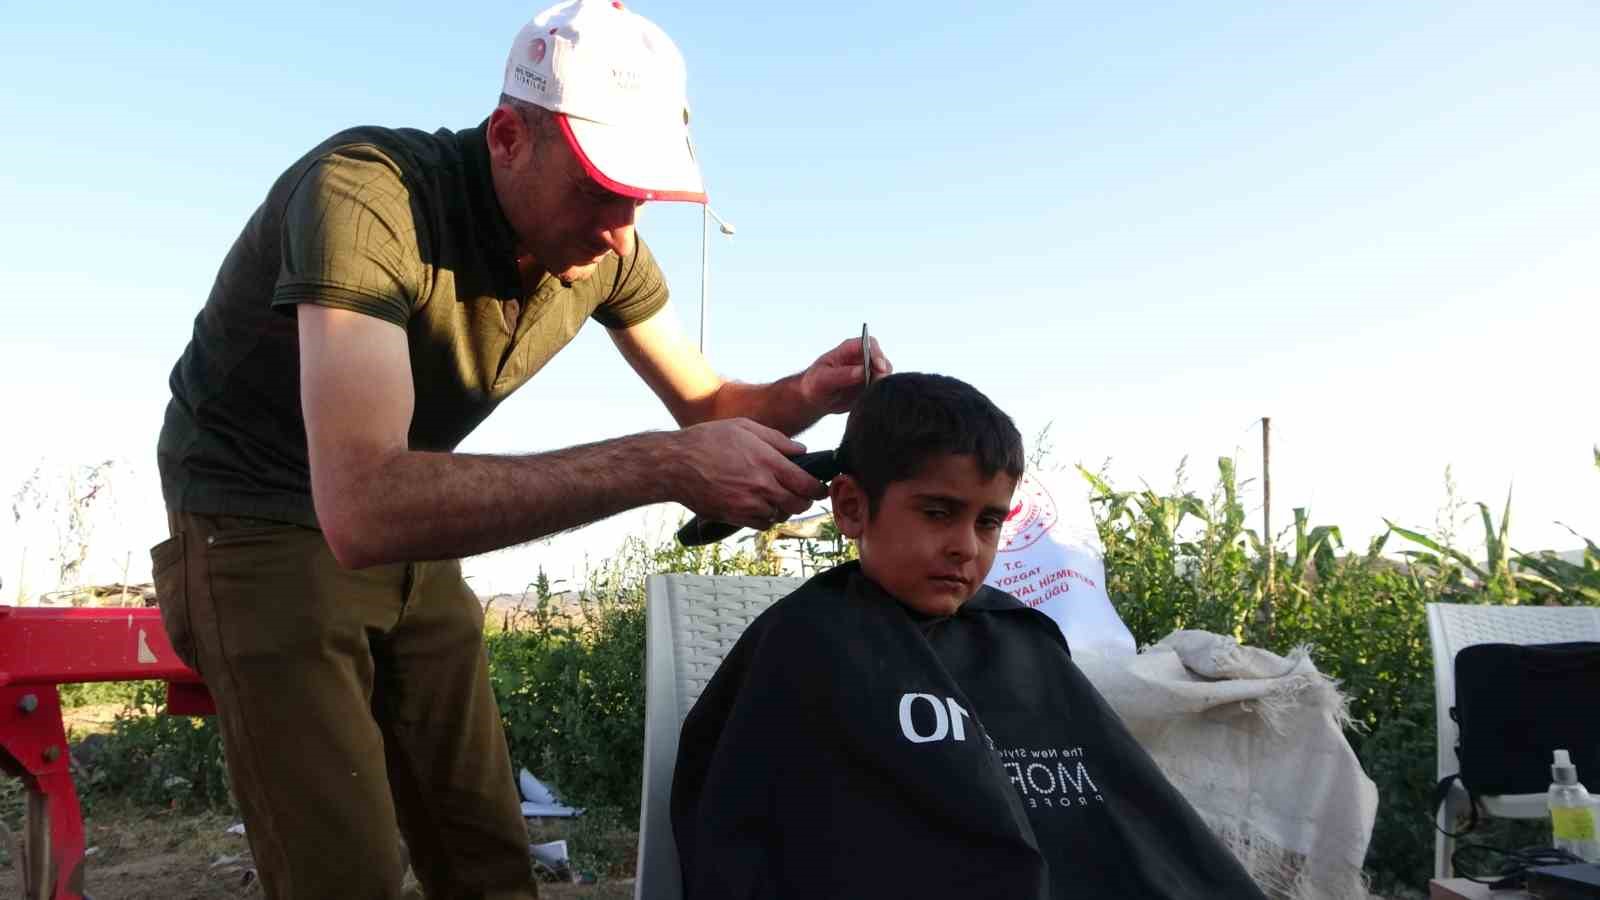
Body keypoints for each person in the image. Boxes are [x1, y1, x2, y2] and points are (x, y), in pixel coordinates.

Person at [149, 2, 889, 897]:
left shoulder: (606, 244)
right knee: (342, 870)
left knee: (487, 855)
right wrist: (659, 466)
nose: (622, 227)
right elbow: (363, 507)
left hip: (410, 516)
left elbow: (705, 405)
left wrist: (807, 395)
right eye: (600, 188)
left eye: (641, 195)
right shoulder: (365, 194)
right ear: (507, 136)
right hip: (257, 516)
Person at [670, 373, 1267, 899]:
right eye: (937, 512)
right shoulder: (802, 644)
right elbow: (747, 841)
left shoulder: (1020, 639)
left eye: (987, 522)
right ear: (851, 508)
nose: (966, 546)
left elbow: (1126, 827)